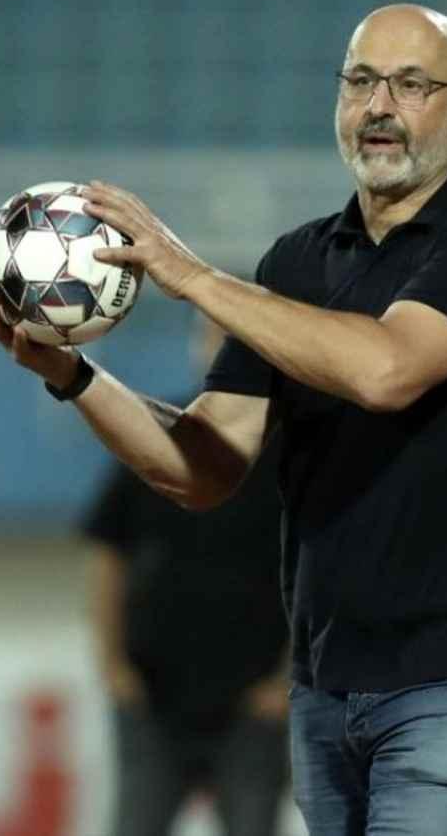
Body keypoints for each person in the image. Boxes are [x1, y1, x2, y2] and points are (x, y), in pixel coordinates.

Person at [0, 2, 447, 836]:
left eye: (411, 85)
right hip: (330, 679)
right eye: (360, 82)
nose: (379, 107)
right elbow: (201, 464)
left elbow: (386, 370)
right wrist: (71, 375)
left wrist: (193, 278)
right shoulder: (295, 264)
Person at [82, 317, 290, 836]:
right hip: (153, 696)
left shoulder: (294, 456)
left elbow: (320, 576)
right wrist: (113, 666)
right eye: (214, 337)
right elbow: (108, 554)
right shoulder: (154, 433)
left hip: (252, 703)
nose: (225, 351)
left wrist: (287, 680)